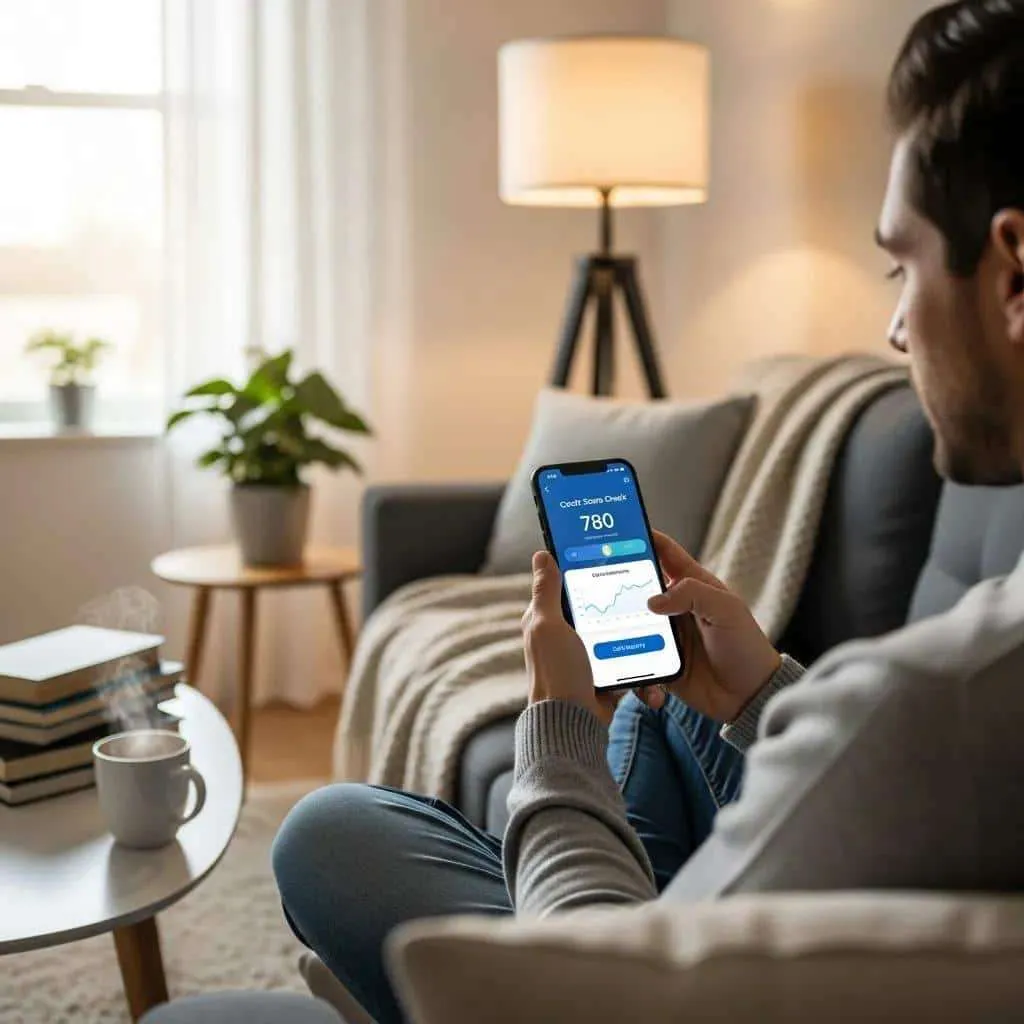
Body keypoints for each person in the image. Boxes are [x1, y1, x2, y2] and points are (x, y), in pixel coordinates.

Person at [273, 2, 1024, 1020]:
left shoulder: (929, 703)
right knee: (661, 709)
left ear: (1012, 270)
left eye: (901, 264)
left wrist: (554, 726)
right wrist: (760, 689)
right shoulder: (941, 699)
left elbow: (598, 984)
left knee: (328, 833)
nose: (893, 328)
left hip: (618, 979)